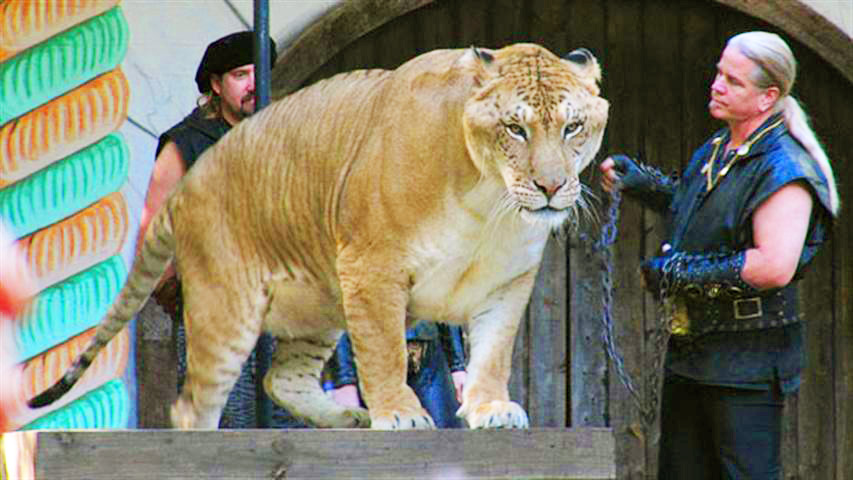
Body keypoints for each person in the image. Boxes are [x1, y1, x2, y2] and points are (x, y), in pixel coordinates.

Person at [600, 31, 838, 479]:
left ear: (768, 97)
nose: (717, 84)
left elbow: (773, 266)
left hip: (746, 364)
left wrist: (676, 274)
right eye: (718, 72)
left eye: (733, 80)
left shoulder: (784, 170)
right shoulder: (719, 148)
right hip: (692, 353)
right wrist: (643, 184)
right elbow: (700, 206)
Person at [140, 31, 303, 428]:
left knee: (294, 437)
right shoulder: (185, 144)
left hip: (285, 314)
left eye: (258, 73)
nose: (252, 85)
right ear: (216, 84)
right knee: (230, 436)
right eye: (239, 75)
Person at [328, 322, 468, 428]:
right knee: (372, 448)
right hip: (373, 358)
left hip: (428, 356)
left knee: (450, 442)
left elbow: (445, 297)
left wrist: (457, 366)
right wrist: (344, 380)